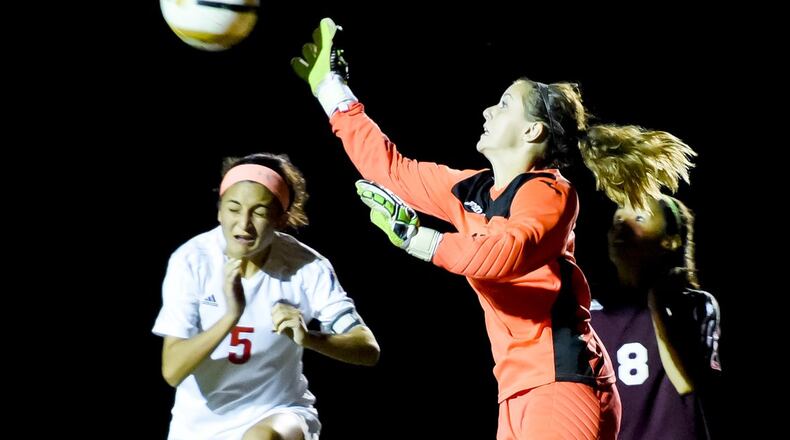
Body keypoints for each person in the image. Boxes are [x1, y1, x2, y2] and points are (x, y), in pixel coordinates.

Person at [292, 18, 697, 440]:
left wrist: (418, 239)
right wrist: (330, 88)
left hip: (562, 382)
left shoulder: (550, 193)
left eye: (504, 104)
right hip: (516, 390)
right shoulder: (472, 189)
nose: (487, 110)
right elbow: (388, 168)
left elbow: (504, 253)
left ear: (531, 130)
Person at [152, 152, 380, 440]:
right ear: (219, 210)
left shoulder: (308, 267)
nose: (244, 224)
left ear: (281, 219)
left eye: (259, 212)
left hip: (279, 411)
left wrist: (308, 337)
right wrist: (230, 316)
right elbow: (172, 370)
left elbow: (367, 349)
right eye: (234, 208)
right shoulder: (191, 261)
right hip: (196, 428)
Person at [590, 194, 721, 439]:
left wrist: (657, 304)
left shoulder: (694, 304)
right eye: (618, 218)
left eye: (639, 217)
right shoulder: (589, 314)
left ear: (670, 240)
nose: (622, 224)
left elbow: (688, 383)